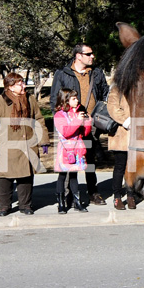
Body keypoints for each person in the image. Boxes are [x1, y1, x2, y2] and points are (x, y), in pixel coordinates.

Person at [49, 43, 110, 206]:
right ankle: (69, 194)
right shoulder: (63, 73)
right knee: (70, 159)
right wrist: (63, 122)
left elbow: (105, 94)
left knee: (90, 160)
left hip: (91, 124)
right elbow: (55, 99)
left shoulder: (96, 73)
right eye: (89, 54)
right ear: (78, 55)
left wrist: (98, 115)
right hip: (70, 125)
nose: (92, 56)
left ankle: (93, 192)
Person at [0, 73, 49, 216]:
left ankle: (25, 205)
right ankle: (5, 206)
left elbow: (39, 120)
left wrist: (43, 139)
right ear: (11, 87)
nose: (24, 86)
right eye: (20, 84)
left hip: (27, 145)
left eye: (23, 83)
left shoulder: (30, 99)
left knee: (26, 176)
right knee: (3, 178)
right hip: (6, 147)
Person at [53, 88, 91, 213]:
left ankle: (77, 201)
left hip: (76, 148)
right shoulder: (59, 115)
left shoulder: (76, 113)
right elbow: (66, 132)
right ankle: (60, 203)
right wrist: (77, 120)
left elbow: (83, 133)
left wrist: (87, 123)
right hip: (65, 148)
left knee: (74, 175)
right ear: (66, 100)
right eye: (74, 98)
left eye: (76, 98)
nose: (77, 100)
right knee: (62, 175)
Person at [106, 83, 136, 211]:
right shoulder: (116, 89)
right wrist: (127, 120)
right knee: (120, 166)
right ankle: (117, 196)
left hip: (136, 134)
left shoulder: (137, 87)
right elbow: (112, 108)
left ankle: (130, 195)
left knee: (132, 167)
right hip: (121, 134)